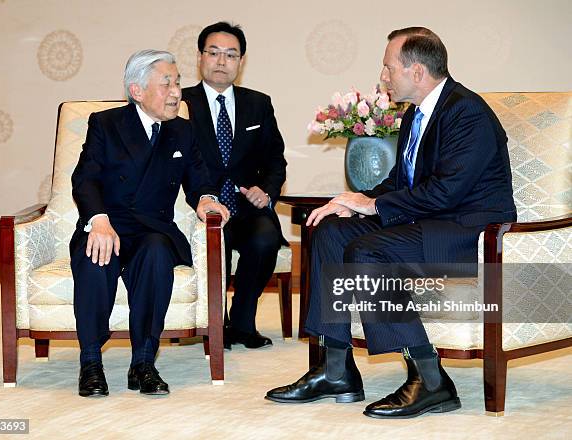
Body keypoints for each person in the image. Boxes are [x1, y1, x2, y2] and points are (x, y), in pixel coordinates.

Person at [265, 27, 516, 418]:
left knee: (368, 250)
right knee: (330, 232)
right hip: (428, 221)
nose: (383, 77)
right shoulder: (417, 112)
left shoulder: (466, 112)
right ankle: (335, 370)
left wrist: (372, 205)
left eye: (387, 68)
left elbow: (446, 192)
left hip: (469, 233)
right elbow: (401, 180)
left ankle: (431, 379)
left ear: (417, 72)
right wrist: (356, 204)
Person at [70, 49, 229, 397]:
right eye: (166, 84)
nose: (176, 92)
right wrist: (97, 220)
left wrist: (206, 199)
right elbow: (85, 178)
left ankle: (143, 362)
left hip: (152, 231)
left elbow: (200, 180)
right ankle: (91, 363)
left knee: (158, 252)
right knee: (96, 258)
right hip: (107, 224)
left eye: (178, 83)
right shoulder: (106, 124)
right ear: (137, 91)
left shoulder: (183, 132)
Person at [182, 22, 287, 350]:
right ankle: (215, 325)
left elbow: (275, 160)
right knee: (214, 243)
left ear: (241, 61)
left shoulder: (258, 103)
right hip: (200, 206)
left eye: (231, 55)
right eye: (213, 53)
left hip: (245, 206)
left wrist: (266, 191)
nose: (221, 61)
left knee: (265, 239)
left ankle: (242, 321)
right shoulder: (180, 104)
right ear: (200, 57)